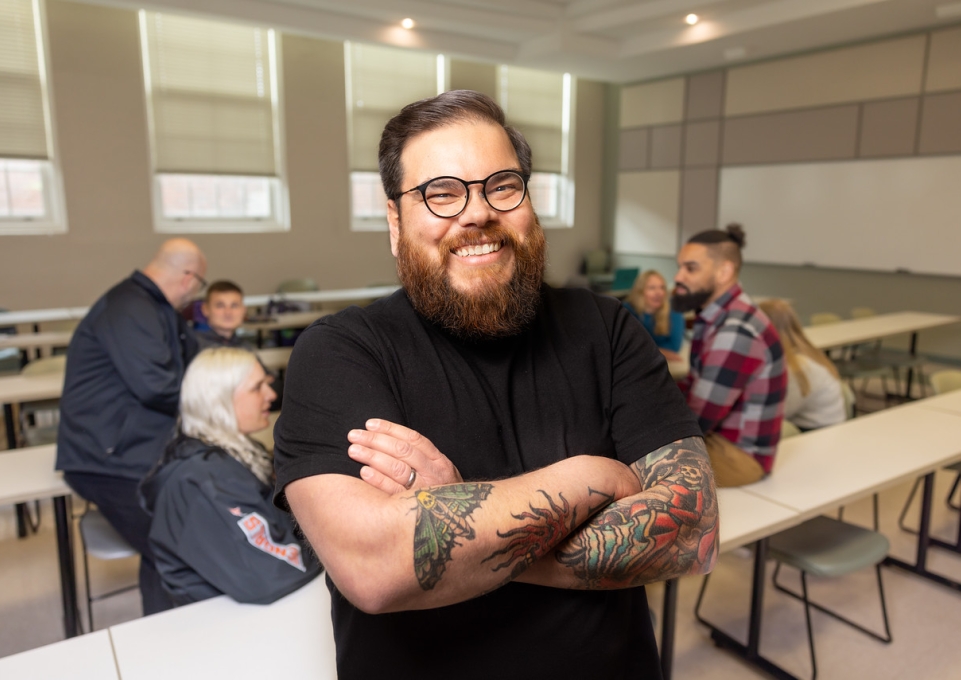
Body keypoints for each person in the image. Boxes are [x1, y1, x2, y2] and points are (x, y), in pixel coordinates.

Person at [273, 90, 718, 680]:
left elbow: (691, 528)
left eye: (502, 185)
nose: (477, 212)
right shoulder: (339, 353)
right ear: (394, 219)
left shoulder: (607, 329)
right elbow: (375, 567)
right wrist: (590, 476)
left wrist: (455, 513)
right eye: (441, 192)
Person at [56, 238, 206, 615]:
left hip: (137, 449)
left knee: (184, 531)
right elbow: (158, 386)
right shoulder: (130, 308)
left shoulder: (155, 308)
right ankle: (168, 640)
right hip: (107, 459)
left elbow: (197, 356)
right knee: (173, 545)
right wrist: (215, 402)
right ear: (189, 278)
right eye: (199, 287)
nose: (194, 297)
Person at [139, 348, 321, 605]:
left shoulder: (238, 452)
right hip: (213, 626)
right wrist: (329, 541)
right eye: (257, 388)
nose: (271, 395)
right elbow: (272, 574)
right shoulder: (204, 480)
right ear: (219, 400)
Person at [673, 225, 787, 487]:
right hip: (722, 439)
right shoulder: (717, 317)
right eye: (680, 267)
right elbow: (693, 388)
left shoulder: (735, 330)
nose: (678, 277)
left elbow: (697, 421)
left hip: (740, 456)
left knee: (631, 463)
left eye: (690, 268)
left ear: (724, 272)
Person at [759, 299, 847, 431]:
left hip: (816, 432)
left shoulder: (796, 367)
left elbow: (776, 413)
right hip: (823, 426)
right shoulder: (805, 353)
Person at [623, 269, 686, 361]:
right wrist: (661, 350)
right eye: (652, 288)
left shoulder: (673, 309)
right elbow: (627, 346)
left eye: (662, 287)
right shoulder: (627, 309)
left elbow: (674, 347)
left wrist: (643, 348)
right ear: (640, 291)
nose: (659, 293)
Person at [195, 280, 251, 349]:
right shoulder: (193, 347)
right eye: (220, 306)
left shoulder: (247, 348)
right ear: (205, 309)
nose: (228, 312)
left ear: (244, 310)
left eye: (234, 305)